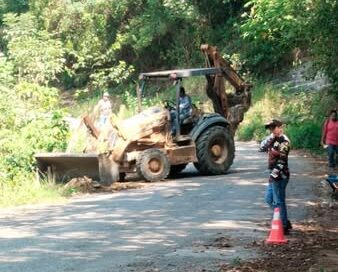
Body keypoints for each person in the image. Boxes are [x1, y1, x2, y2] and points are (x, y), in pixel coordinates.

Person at [259, 119, 292, 234]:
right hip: (273, 174)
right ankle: (284, 220)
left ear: (280, 127)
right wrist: (271, 137)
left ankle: (283, 225)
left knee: (279, 201)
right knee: (269, 199)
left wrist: (273, 175)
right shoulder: (273, 139)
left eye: (274, 127)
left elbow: (282, 161)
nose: (272, 130)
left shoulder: (284, 141)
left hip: (281, 175)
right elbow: (261, 147)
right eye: (270, 128)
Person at [321, 110, 338, 174]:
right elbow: (324, 132)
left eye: (335, 115)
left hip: (337, 142)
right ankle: (331, 166)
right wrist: (322, 141)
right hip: (329, 141)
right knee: (331, 153)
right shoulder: (327, 122)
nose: (334, 116)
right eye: (332, 115)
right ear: (330, 116)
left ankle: (335, 165)